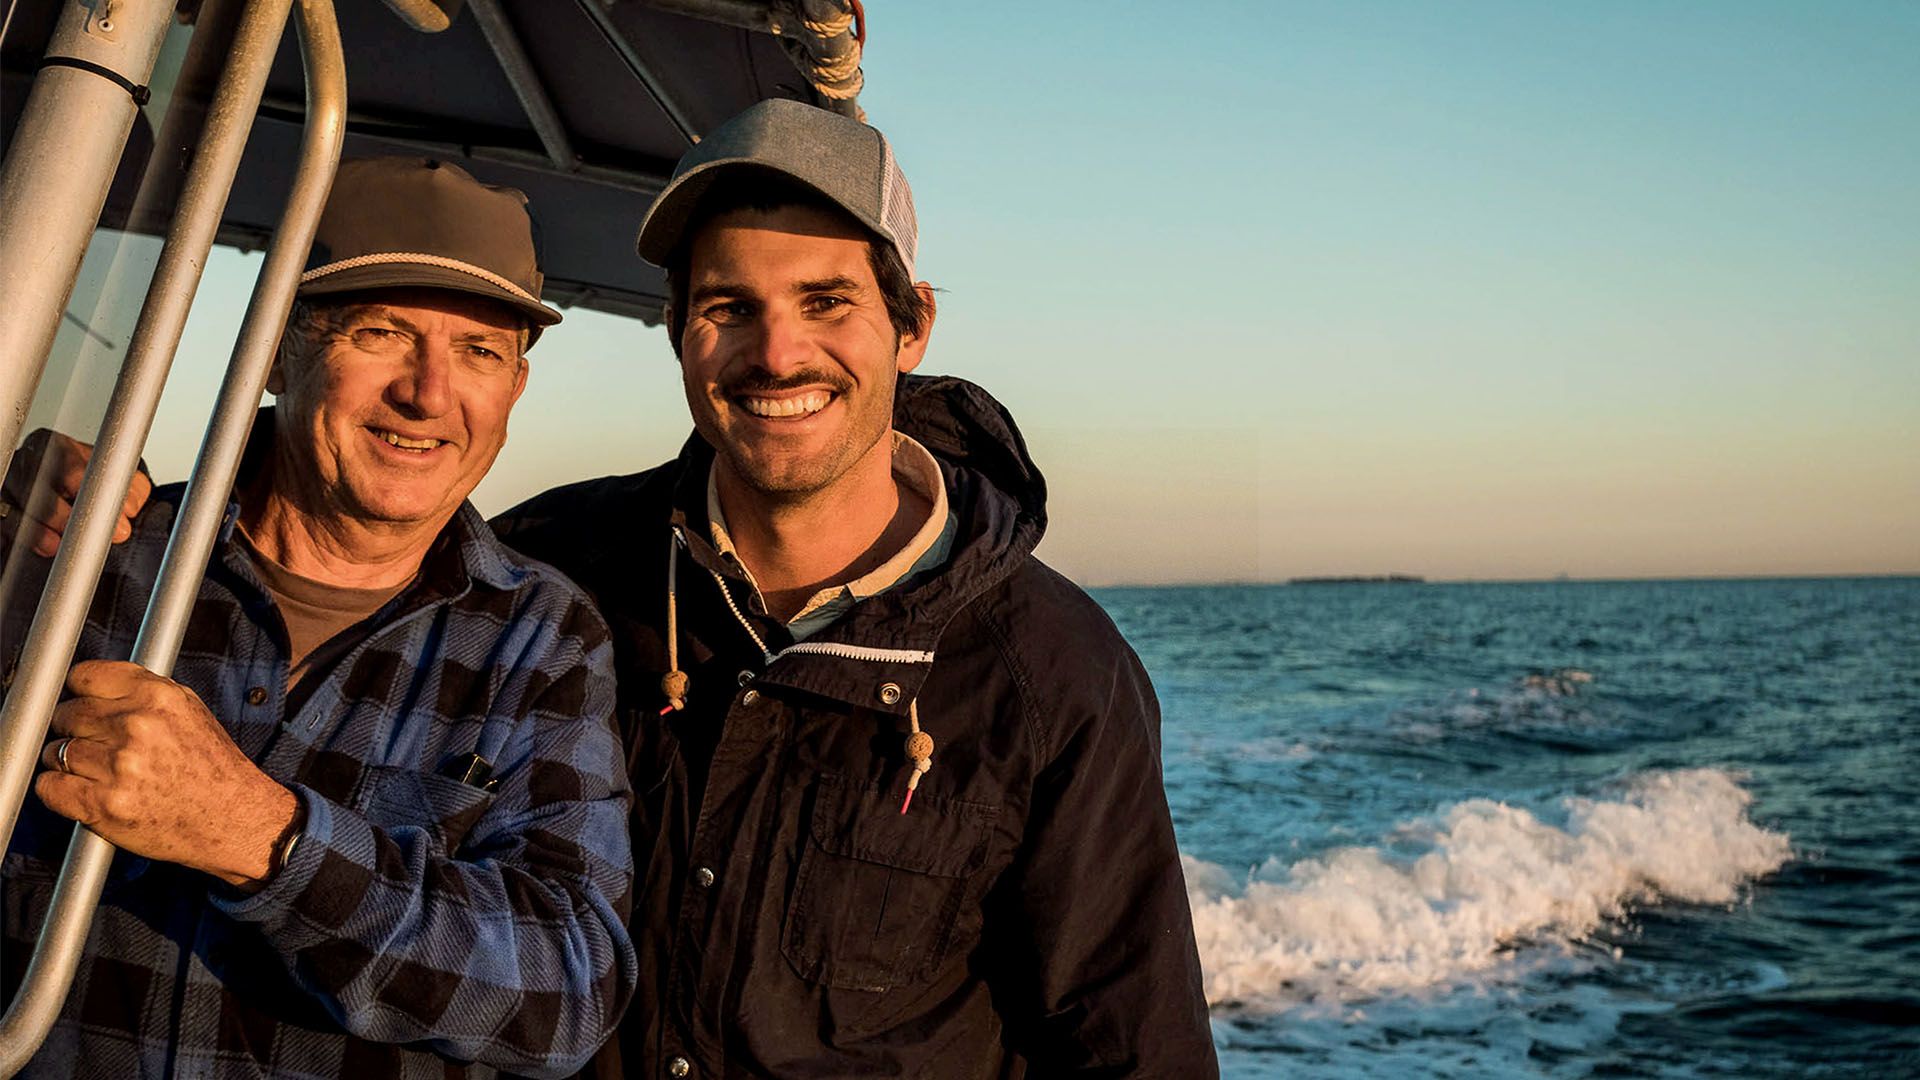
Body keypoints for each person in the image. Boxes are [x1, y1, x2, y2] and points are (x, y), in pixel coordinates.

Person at [492, 99, 1217, 1077]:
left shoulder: (1055, 674)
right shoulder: (551, 567)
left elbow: (1131, 1048)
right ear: (676, 333)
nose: (779, 354)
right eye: (728, 307)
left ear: (911, 325)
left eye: (827, 301)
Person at [0, 157, 636, 1078]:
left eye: (480, 352)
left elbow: (566, 992)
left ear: (516, 390)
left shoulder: (542, 637)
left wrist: (260, 836)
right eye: (381, 333)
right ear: (274, 353)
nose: (428, 392)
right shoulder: (92, 561)